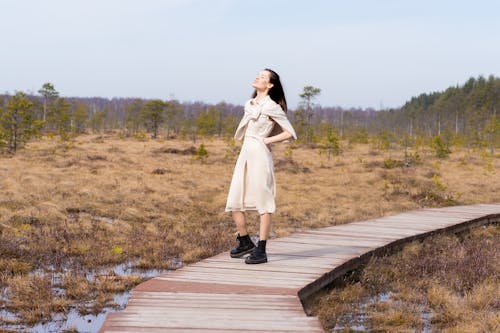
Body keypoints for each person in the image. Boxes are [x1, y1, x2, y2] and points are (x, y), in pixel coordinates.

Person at [225, 68, 297, 264]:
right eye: (258, 74)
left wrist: (266, 140)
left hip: (259, 156)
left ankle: (262, 248)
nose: (258, 77)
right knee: (234, 200)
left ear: (270, 85)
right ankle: (245, 241)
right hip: (245, 154)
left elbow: (290, 133)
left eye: (263, 76)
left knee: (264, 202)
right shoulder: (250, 104)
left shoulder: (272, 107)